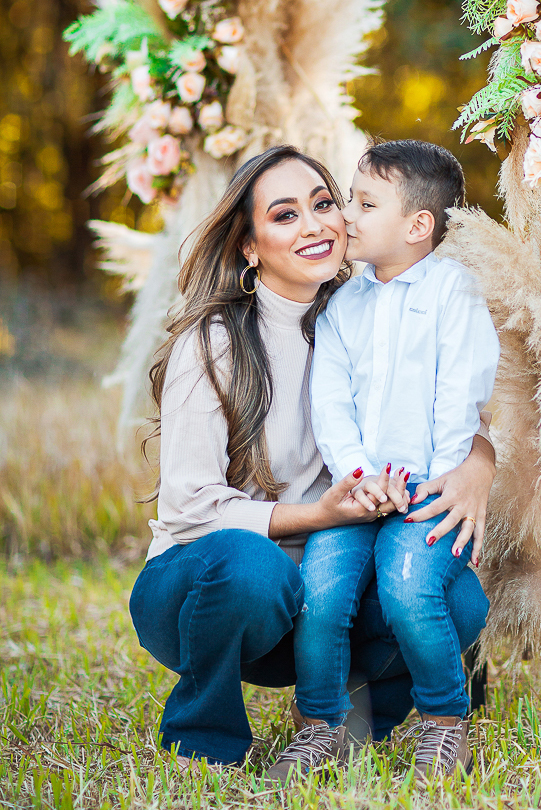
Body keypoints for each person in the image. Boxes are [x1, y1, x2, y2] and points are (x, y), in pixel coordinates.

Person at [128, 144, 497, 772]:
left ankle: (346, 719)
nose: (319, 223)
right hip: (212, 588)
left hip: (316, 589)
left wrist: (477, 467)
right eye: (285, 215)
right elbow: (191, 506)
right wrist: (322, 514)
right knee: (252, 567)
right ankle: (204, 736)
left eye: (324, 204)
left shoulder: (357, 309)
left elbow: (462, 400)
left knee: (452, 598)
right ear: (250, 246)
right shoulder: (214, 342)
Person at [268, 140, 499, 785]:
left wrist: (441, 474)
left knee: (408, 590)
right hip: (357, 489)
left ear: (417, 226)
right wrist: (358, 473)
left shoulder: (456, 291)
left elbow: (462, 391)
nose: (347, 215)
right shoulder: (345, 304)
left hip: (433, 487)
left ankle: (445, 722)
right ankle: (320, 727)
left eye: (365, 204)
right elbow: (330, 401)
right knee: (321, 595)